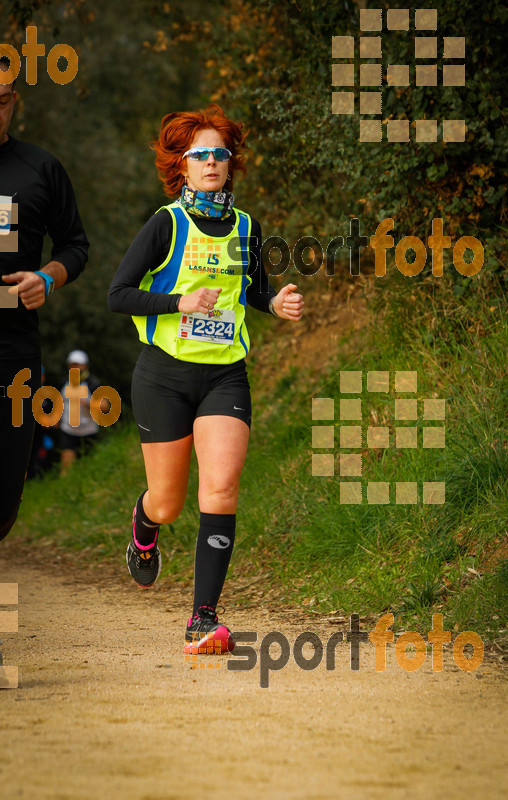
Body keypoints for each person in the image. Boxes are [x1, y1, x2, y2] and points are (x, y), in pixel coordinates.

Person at [108, 104, 303, 655]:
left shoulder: (246, 227)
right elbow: (117, 294)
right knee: (168, 503)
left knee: (220, 487)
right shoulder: (165, 223)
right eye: (201, 154)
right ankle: (145, 527)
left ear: (230, 163)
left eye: (220, 152)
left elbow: (253, 290)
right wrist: (178, 301)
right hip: (164, 376)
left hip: (225, 377)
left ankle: (203, 618)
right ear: (183, 167)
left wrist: (276, 301)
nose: (213, 161)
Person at [0, 56, 89, 541]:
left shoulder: (40, 168)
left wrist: (47, 278)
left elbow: (76, 246)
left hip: (13, 355)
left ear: (14, 101)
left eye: (1, 101)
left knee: (5, 496)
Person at [58, 350, 105, 475]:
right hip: (68, 431)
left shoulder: (92, 383)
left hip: (89, 432)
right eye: (72, 364)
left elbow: (105, 406)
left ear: (85, 366)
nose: (75, 367)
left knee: (88, 469)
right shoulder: (64, 382)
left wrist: (89, 403)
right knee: (66, 469)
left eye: (78, 364)